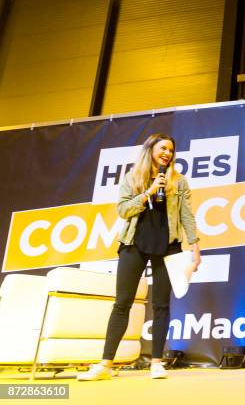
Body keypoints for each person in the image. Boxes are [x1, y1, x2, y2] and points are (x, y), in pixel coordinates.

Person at [78, 133, 201, 381]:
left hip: (168, 246)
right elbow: (123, 210)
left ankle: (157, 362)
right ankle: (106, 364)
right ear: (150, 149)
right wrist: (149, 192)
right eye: (163, 147)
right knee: (122, 303)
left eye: (171, 150)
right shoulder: (132, 178)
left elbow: (187, 216)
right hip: (134, 243)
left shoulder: (179, 182)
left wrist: (196, 248)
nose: (167, 153)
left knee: (162, 305)